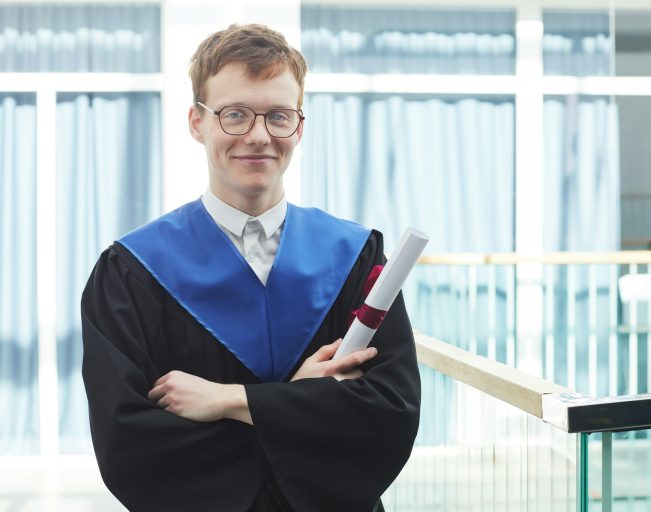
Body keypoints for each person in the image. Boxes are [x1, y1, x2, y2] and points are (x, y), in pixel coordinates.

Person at [81, 23, 420, 512]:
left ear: (299, 128)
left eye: (278, 116)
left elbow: (390, 416)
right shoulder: (130, 272)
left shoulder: (354, 256)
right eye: (234, 114)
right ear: (197, 123)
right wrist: (299, 407)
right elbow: (128, 446)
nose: (259, 136)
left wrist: (232, 401)